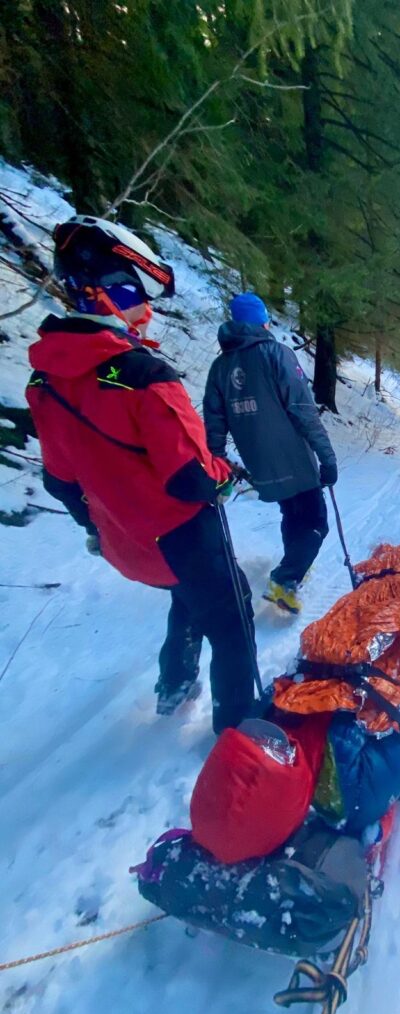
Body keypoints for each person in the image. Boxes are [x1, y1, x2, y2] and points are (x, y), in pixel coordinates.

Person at [26, 215, 260, 733]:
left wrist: (93, 525)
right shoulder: (145, 376)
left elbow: (60, 480)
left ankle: (173, 684)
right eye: (132, 292)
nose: (144, 307)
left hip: (125, 540)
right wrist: (227, 475)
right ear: (100, 296)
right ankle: (237, 732)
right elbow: (191, 478)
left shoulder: (44, 381)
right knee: (233, 617)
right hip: (182, 534)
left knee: (187, 592)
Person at [203, 293, 338, 615]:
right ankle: (285, 578)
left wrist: (217, 461)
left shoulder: (220, 366)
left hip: (259, 462)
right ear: (262, 321)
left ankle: (293, 570)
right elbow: (304, 410)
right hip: (294, 459)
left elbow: (214, 421)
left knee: (292, 513)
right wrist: (327, 457)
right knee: (317, 523)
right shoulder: (276, 354)